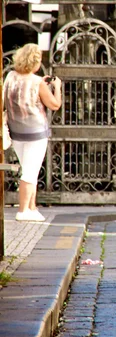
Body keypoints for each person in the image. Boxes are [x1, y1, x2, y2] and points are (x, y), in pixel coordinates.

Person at [3, 43, 62, 222]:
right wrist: (57, 87)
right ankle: (23, 210)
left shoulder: (10, 77)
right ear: (36, 62)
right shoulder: (37, 82)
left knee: (30, 169)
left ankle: (32, 207)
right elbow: (54, 104)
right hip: (36, 132)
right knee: (29, 172)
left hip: (16, 132)